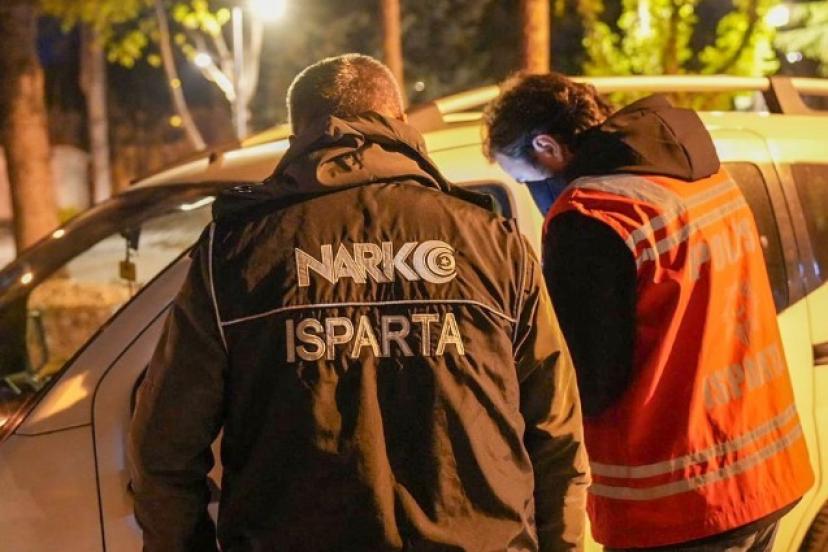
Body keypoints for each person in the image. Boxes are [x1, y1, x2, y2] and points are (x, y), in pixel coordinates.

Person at [129, 54, 589, 552]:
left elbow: (165, 448)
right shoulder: (493, 244)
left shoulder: (238, 252)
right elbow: (556, 435)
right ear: (401, 123)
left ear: (299, 135)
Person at [483, 72, 814, 551]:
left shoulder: (592, 214)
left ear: (546, 147)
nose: (532, 193)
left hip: (680, 502)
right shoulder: (700, 175)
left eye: (522, 179)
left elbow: (584, 380)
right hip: (764, 474)